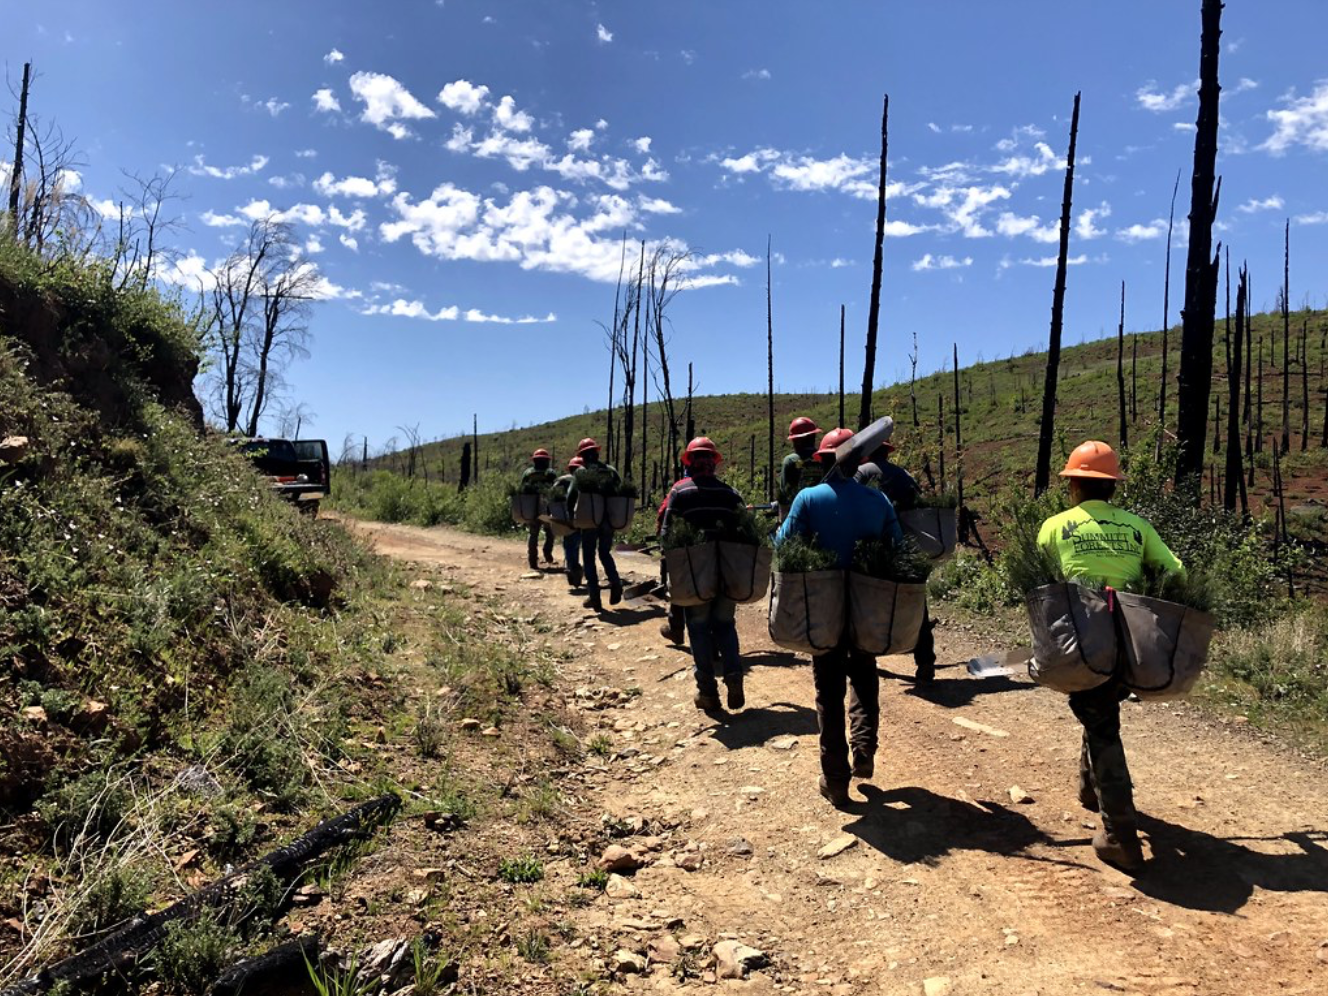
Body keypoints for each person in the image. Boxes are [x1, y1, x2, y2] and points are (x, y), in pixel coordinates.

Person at [1037, 440, 1184, 872]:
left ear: (1075, 487)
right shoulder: (1138, 527)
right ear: (1112, 489)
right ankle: (1090, 787)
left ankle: (1121, 834)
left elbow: (1042, 583)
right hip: (1130, 640)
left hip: (1080, 639)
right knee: (1100, 709)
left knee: (1100, 722)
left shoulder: (1054, 526)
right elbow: (1176, 572)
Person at [776, 427, 902, 808]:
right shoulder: (878, 500)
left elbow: (784, 544)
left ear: (824, 459)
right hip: (865, 606)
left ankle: (835, 779)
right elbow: (897, 549)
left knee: (828, 692)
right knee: (864, 678)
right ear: (858, 459)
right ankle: (863, 748)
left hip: (824, 608)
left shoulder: (808, 498)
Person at [661, 438, 747, 712]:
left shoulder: (680, 493)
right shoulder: (731, 494)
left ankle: (707, 692)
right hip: (727, 573)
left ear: (690, 463)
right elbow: (746, 532)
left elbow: (666, 536)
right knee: (725, 624)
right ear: (713, 464)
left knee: (697, 628)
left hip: (694, 574)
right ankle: (733, 675)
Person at [856, 440, 936, 683]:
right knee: (916, 604)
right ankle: (925, 662)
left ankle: (866, 657)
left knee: (866, 603)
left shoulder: (864, 472)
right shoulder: (904, 474)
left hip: (877, 548)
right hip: (907, 549)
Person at [567, 437, 623, 612]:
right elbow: (620, 492)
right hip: (608, 520)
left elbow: (570, 497)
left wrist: (572, 518)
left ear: (582, 456)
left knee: (589, 557)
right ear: (597, 452)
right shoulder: (611, 471)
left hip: (589, 521)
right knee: (605, 553)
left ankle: (594, 596)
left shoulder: (581, 473)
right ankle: (616, 583)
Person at [656, 473, 689, 646]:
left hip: (683, 550)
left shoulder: (679, 489)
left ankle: (676, 630)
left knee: (679, 588)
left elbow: (663, 514)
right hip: (714, 553)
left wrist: (662, 539)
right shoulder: (720, 489)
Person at [777, 416, 824, 514]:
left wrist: (783, 524)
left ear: (796, 441)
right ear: (813, 437)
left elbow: (785, 496)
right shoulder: (824, 458)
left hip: (799, 515)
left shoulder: (790, 461)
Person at [520, 448, 557, 570]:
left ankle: (532, 561)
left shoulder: (528, 473)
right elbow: (555, 488)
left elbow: (522, 490)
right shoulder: (550, 473)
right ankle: (547, 553)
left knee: (533, 534)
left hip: (531, 509)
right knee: (550, 532)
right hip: (546, 509)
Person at [553, 456, 584, 589]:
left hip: (565, 517)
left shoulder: (562, 480)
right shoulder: (584, 481)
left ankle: (572, 568)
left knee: (568, 543)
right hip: (585, 518)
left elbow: (551, 495)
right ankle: (574, 568)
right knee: (576, 543)